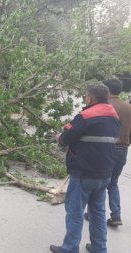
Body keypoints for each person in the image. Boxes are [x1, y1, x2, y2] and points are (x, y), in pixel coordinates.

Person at [49, 84, 120, 253]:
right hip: (105, 173)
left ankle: (70, 248)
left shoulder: (86, 116)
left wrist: (59, 137)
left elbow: (66, 138)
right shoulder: (114, 118)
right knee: (98, 212)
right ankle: (99, 248)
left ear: (90, 98)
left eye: (85, 96)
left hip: (83, 172)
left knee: (75, 211)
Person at [84, 79, 131, 227]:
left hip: (106, 148)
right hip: (123, 149)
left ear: (107, 91)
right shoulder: (128, 107)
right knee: (113, 183)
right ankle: (116, 215)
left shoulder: (105, 107)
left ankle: (94, 214)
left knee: (101, 181)